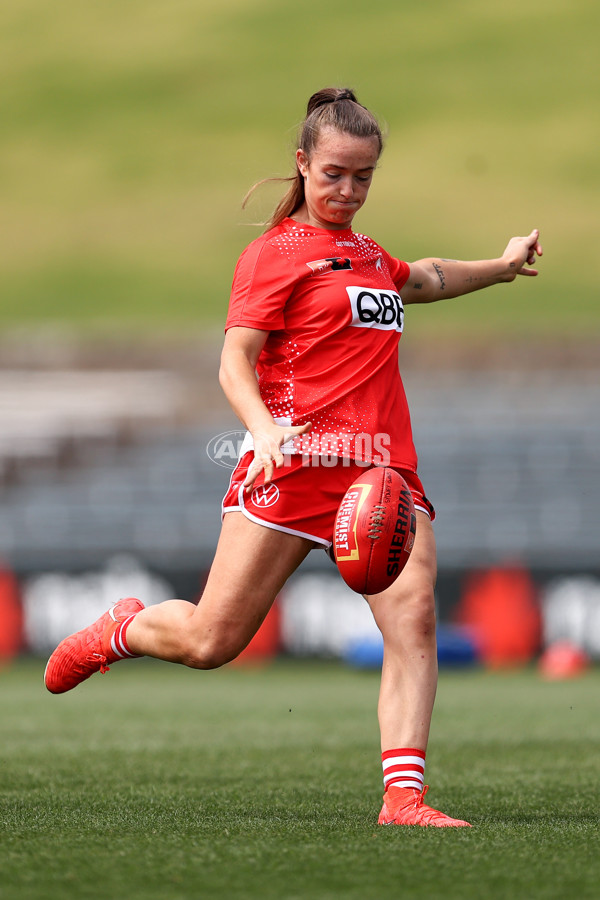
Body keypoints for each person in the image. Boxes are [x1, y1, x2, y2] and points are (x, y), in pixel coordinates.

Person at [45, 87, 543, 827]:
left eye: (364, 176)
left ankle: (403, 799)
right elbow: (233, 362)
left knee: (414, 620)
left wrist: (500, 267)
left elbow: (426, 277)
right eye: (334, 173)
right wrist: (263, 428)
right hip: (293, 464)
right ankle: (122, 628)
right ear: (303, 164)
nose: (348, 189)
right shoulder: (273, 256)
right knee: (212, 641)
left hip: (381, 471)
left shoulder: (370, 255)